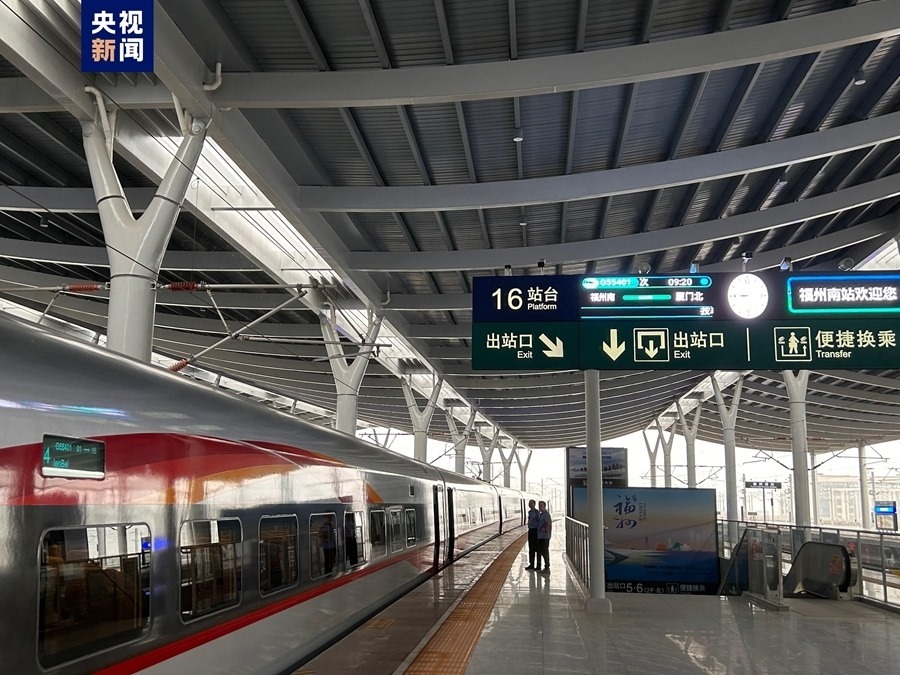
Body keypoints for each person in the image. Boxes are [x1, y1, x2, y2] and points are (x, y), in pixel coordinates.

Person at [536, 500, 552, 574]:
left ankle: (547, 568)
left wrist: (545, 529)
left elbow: (548, 523)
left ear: (544, 506)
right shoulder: (541, 514)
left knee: (545, 551)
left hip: (545, 537)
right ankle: (546, 567)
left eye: (541, 506)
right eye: (539, 506)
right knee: (542, 551)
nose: (540, 507)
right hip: (541, 536)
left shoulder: (546, 514)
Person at [525, 499, 540, 570]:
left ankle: (538, 565)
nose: (529, 504)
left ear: (534, 504)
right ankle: (531, 564)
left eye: (531, 503)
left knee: (537, 548)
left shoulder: (537, 512)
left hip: (536, 531)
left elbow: (539, 521)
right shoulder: (529, 512)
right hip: (530, 531)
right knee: (531, 548)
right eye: (529, 503)